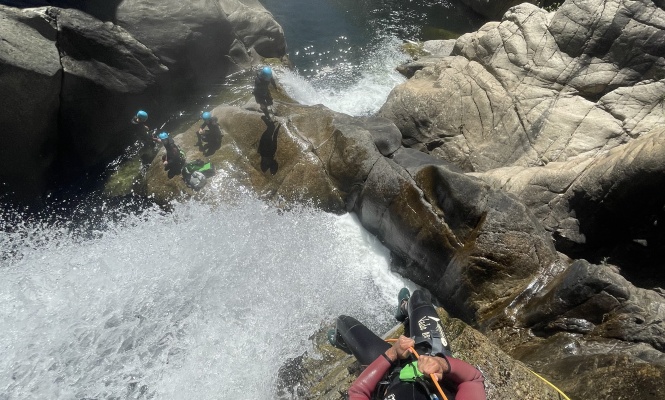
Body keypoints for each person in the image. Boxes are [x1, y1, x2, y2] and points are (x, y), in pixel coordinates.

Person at [329, 289, 486, 400]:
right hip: (430, 357)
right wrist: (441, 364)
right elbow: (473, 379)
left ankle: (342, 342)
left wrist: (391, 355)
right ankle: (404, 307)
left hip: (388, 375)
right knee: (419, 297)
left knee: (345, 322)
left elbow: (357, 391)